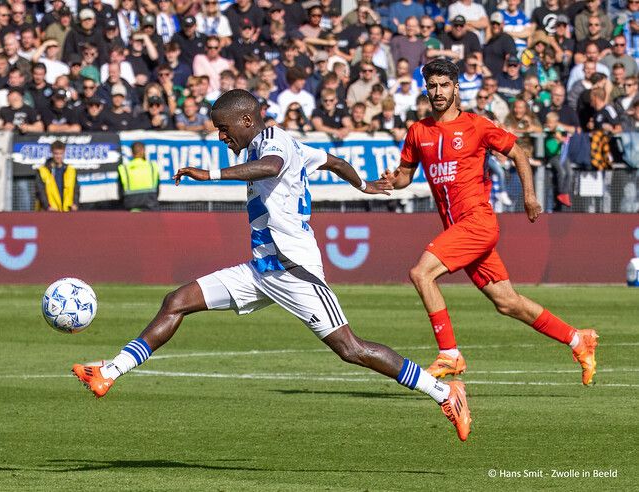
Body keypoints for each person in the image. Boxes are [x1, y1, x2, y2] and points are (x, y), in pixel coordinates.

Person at [71, 89, 472, 442]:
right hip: (262, 269)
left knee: (352, 349)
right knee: (176, 301)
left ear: (247, 119)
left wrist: (209, 175)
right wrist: (364, 185)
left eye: (224, 128)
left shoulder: (273, 140)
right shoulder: (281, 144)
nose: (221, 135)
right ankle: (109, 371)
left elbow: (272, 167)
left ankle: (443, 393)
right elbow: (330, 160)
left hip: (295, 270)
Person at [384, 59, 598, 386]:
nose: (438, 92)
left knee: (421, 273)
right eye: (433, 86)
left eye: (444, 85)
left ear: (456, 88)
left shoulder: (477, 125)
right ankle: (577, 339)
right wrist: (391, 180)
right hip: (459, 230)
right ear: (426, 90)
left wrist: (529, 196)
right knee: (507, 302)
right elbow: (404, 177)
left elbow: (518, 154)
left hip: (477, 222)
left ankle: (450, 354)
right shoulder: (418, 131)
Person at [35, 140, 79, 212]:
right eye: (56, 153)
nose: (58, 156)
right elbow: (40, 191)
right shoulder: (43, 170)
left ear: (64, 153)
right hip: (50, 210)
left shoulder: (70, 170)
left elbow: (76, 189)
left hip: (67, 210)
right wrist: (47, 207)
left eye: (60, 153)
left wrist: (75, 204)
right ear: (51, 153)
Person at [118, 142, 160, 211]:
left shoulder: (124, 168)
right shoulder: (152, 166)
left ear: (132, 152)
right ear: (143, 151)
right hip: (151, 209)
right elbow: (157, 190)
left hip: (131, 209)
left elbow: (120, 193)